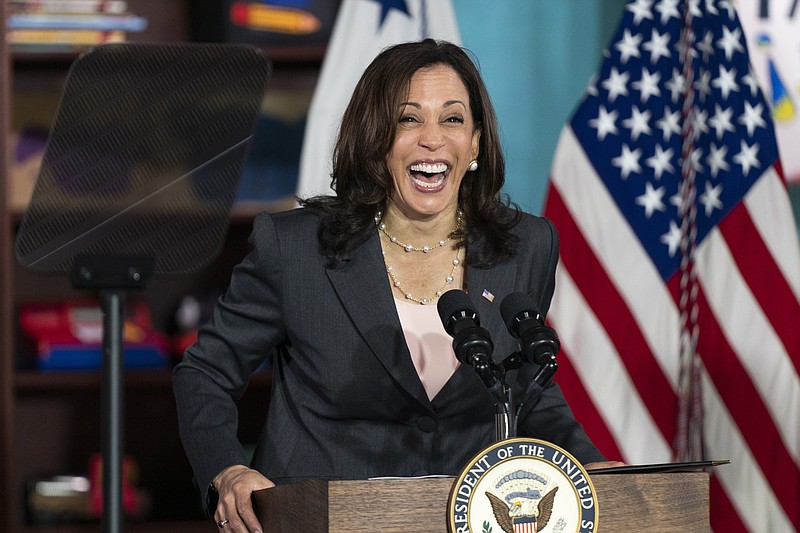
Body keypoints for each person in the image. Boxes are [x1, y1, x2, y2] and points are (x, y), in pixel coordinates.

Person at [173, 39, 620, 533]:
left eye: (452, 119)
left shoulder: (526, 246)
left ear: (474, 142)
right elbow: (205, 374)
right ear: (376, 139)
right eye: (409, 119)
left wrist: (589, 466)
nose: (433, 139)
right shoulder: (296, 249)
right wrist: (228, 471)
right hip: (318, 521)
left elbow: (524, 389)